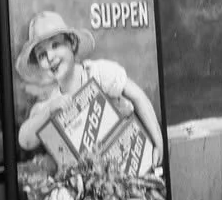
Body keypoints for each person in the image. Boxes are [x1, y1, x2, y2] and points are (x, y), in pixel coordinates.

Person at [14, 10, 165, 180]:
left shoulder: (97, 73)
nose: (50, 57)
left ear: (71, 44)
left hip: (133, 157)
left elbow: (138, 96)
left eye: (55, 45)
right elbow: (25, 140)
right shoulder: (52, 101)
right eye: (42, 55)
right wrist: (49, 110)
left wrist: (158, 140)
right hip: (98, 182)